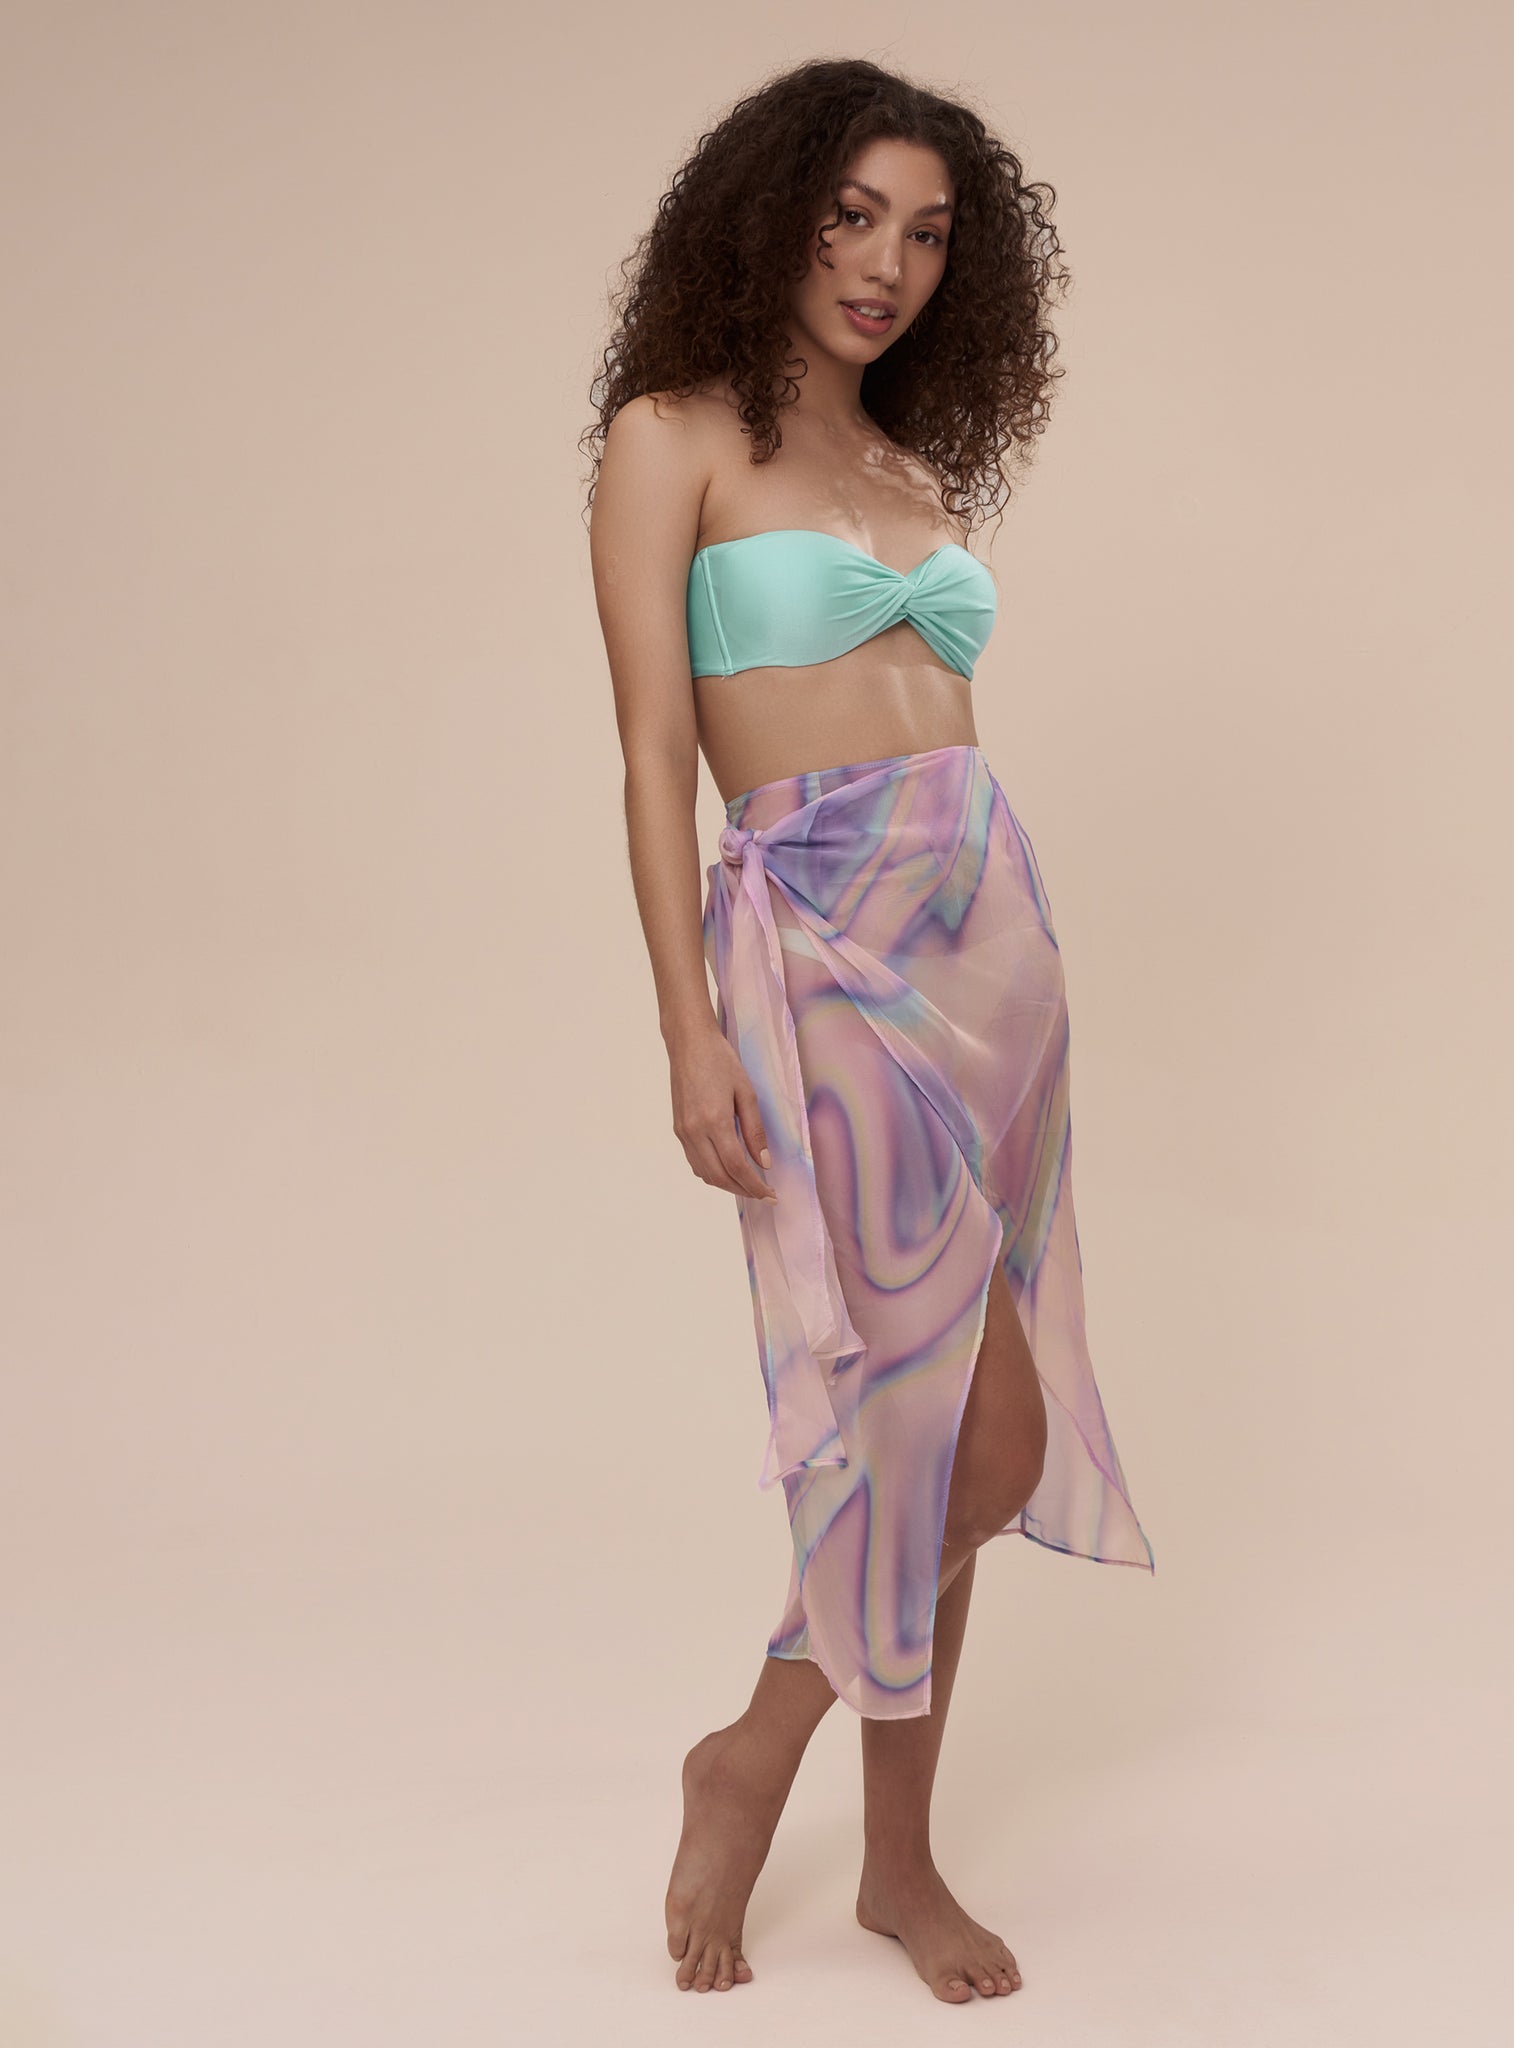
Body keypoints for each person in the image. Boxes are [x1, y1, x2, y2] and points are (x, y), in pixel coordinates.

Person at [583, 55, 1155, 2005]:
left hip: (990, 941)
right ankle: (754, 1753)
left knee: (952, 1427)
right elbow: (653, 753)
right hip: (813, 942)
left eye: (924, 232)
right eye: (850, 215)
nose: (886, 263)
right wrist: (685, 1032)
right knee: (933, 1420)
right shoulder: (671, 436)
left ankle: (895, 1858)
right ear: (767, 214)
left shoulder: (911, 471)